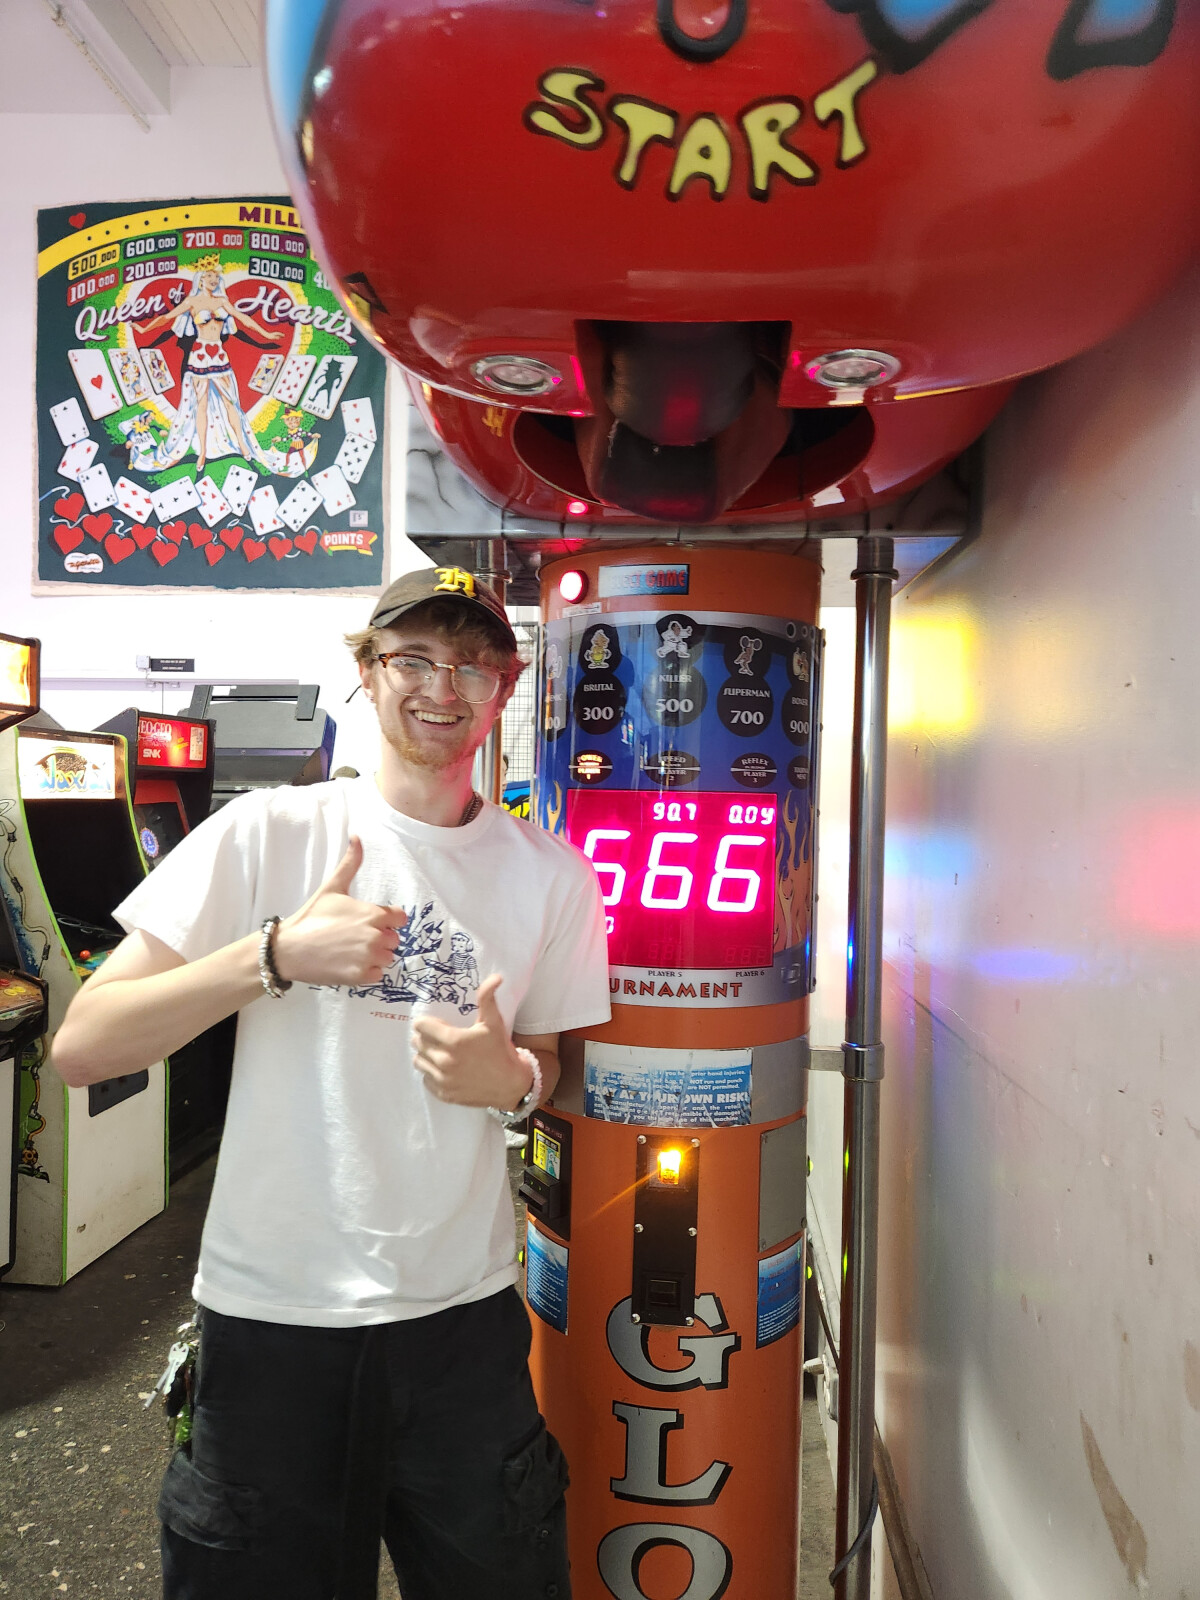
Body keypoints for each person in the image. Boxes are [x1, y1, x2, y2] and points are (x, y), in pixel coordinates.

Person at [51, 564, 611, 1600]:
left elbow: (549, 1065)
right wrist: (272, 955)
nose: (441, 686)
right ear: (367, 669)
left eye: (471, 664)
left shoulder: (553, 874)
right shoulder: (267, 834)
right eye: (412, 658)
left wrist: (514, 1079)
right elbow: (85, 1046)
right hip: (272, 1323)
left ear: (504, 685)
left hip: (463, 1323)